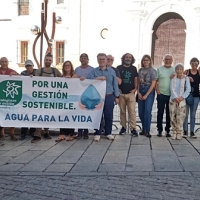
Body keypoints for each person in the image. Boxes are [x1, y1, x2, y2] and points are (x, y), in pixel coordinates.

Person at [87, 53, 120, 142]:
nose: (101, 61)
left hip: (109, 96)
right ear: (97, 60)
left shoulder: (112, 71)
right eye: (100, 59)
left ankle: (108, 132)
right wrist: (98, 78)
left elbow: (115, 84)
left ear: (106, 61)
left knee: (109, 115)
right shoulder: (94, 71)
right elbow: (88, 80)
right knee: (98, 115)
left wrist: (117, 96)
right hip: (97, 97)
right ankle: (97, 133)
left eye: (103, 59)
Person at [31, 53, 62, 143]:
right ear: (44, 60)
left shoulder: (55, 71)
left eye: (50, 60)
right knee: (39, 115)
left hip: (51, 98)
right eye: (46, 60)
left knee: (48, 115)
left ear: (52, 61)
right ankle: (37, 134)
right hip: (40, 98)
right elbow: (33, 82)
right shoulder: (39, 71)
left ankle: (46, 131)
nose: (48, 61)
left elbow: (63, 80)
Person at [73, 53, 94, 139]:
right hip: (79, 93)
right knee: (79, 112)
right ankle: (79, 131)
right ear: (80, 59)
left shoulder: (92, 69)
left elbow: (93, 79)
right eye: (82, 58)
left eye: (85, 58)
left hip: (88, 94)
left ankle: (86, 132)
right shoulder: (77, 69)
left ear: (88, 59)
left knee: (86, 112)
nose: (83, 59)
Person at [117, 53, 138, 136]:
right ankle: (123, 127)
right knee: (122, 111)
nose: (128, 59)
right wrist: (117, 89)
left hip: (131, 93)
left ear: (132, 59)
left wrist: (135, 89)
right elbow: (117, 79)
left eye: (130, 57)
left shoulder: (134, 68)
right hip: (121, 93)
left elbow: (135, 79)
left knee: (132, 111)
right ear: (123, 58)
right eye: (126, 57)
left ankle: (133, 128)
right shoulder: (119, 68)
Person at [55, 60, 75, 142]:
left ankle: (71, 133)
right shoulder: (61, 76)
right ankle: (62, 133)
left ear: (71, 67)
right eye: (65, 65)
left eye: (69, 65)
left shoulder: (74, 75)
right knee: (62, 115)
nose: (67, 66)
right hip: (63, 100)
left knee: (71, 116)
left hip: (71, 99)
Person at [169, 63, 191, 140]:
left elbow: (188, 89)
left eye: (180, 69)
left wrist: (182, 97)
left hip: (182, 100)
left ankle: (179, 132)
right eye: (177, 69)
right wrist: (175, 97)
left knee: (181, 116)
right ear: (175, 70)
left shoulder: (186, 78)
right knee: (173, 115)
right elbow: (172, 88)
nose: (179, 70)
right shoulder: (173, 77)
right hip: (173, 99)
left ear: (182, 70)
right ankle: (174, 132)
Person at [137, 55, 157, 138]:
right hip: (141, 89)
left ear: (150, 61)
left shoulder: (153, 71)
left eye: (147, 60)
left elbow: (153, 83)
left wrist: (146, 95)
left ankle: (147, 130)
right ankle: (143, 128)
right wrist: (138, 92)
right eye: (144, 60)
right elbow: (138, 82)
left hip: (149, 91)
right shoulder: (140, 70)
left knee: (147, 111)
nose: (145, 61)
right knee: (141, 112)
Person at [156, 54, 175, 137]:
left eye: (169, 59)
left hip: (171, 95)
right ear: (163, 60)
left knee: (169, 113)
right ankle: (159, 130)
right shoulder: (159, 69)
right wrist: (157, 91)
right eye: (166, 59)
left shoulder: (175, 70)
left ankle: (168, 130)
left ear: (172, 61)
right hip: (161, 94)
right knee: (160, 112)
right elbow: (155, 81)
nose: (168, 61)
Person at [0, 57, 18, 141]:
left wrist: (15, 76)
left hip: (10, 97)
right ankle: (2, 133)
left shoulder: (12, 71)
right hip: (1, 96)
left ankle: (12, 133)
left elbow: (22, 78)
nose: (4, 63)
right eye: (2, 62)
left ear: (8, 62)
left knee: (12, 114)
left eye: (5, 61)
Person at [19, 59, 36, 140]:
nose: (29, 67)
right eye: (27, 66)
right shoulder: (23, 73)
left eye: (30, 65)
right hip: (25, 97)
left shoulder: (37, 72)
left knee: (33, 114)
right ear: (25, 67)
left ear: (33, 65)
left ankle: (32, 131)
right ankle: (23, 132)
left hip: (35, 97)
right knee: (25, 114)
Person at [183, 58, 200, 138]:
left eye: (196, 64)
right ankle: (185, 130)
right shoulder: (187, 72)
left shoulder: (199, 73)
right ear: (190, 64)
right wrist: (187, 77)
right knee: (185, 114)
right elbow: (180, 78)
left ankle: (192, 131)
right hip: (187, 95)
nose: (194, 65)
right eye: (192, 63)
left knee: (193, 114)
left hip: (196, 95)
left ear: (198, 64)